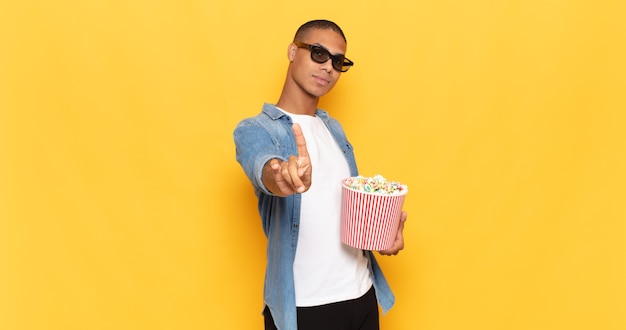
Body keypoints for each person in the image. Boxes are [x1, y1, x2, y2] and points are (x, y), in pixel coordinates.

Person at [233, 19, 408, 330]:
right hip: (305, 308)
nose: (328, 67)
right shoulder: (256, 129)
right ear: (292, 51)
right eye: (317, 53)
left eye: (338, 61)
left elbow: (342, 210)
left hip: (362, 294)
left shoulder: (333, 129)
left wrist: (381, 233)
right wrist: (282, 176)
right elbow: (266, 169)